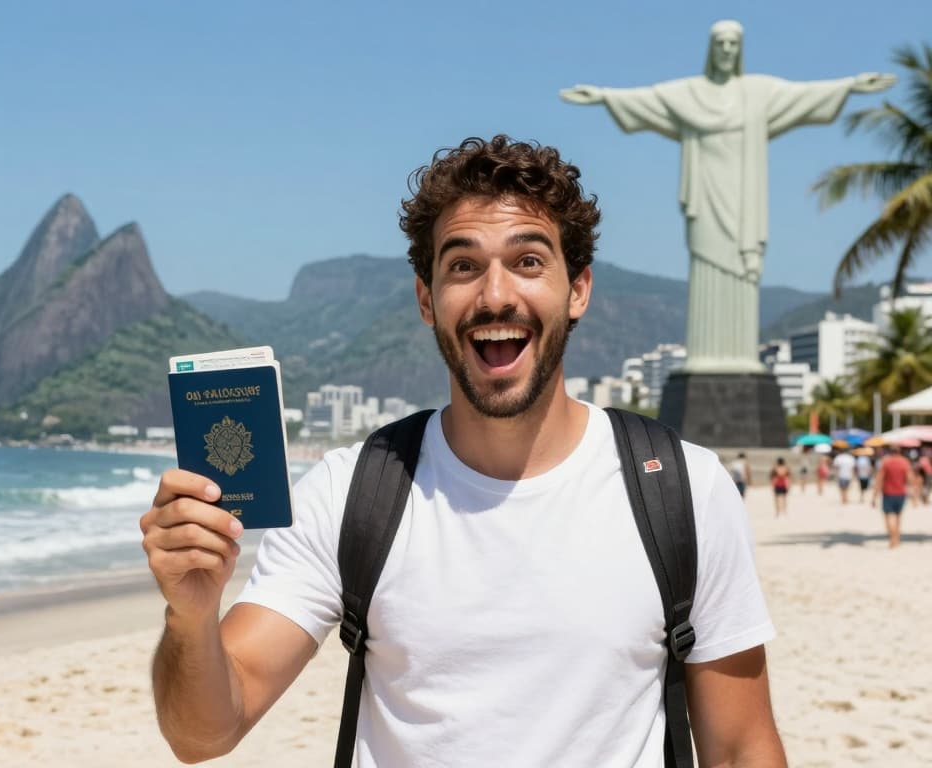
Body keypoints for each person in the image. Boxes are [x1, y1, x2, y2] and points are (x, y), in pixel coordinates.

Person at [141, 136, 785, 766]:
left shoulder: (684, 489)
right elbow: (202, 736)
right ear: (428, 299)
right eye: (462, 265)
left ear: (578, 290)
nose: (496, 295)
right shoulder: (349, 493)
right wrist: (192, 614)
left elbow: (740, 748)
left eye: (529, 262)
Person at [559, 20, 894, 370]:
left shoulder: (758, 93)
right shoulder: (690, 94)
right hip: (705, 198)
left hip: (743, 200)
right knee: (707, 266)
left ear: (740, 50)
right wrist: (604, 96)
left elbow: (804, 95)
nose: (727, 50)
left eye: (734, 44)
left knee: (742, 271)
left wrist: (851, 86)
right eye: (721, 43)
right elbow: (649, 99)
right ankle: (706, 355)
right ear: (712, 49)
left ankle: (740, 355)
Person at [873, 445, 912, 548]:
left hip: (888, 493)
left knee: (889, 516)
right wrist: (914, 495)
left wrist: (874, 495)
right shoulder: (905, 462)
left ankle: (892, 538)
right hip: (901, 493)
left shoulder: (886, 462)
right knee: (898, 516)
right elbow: (909, 479)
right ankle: (897, 537)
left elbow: (879, 479)